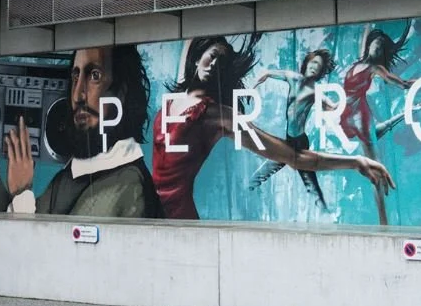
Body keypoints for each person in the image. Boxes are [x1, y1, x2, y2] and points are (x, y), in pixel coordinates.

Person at [151, 35, 395, 220]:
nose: (215, 64)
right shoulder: (173, 98)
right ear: (197, 57)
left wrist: (355, 162)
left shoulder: (219, 115)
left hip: (177, 215)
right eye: (212, 55)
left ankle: (325, 211)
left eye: (222, 62)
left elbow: (294, 157)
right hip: (149, 209)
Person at [0, 45, 163, 218]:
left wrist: (22, 193)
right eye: (75, 76)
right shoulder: (79, 173)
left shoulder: (126, 187)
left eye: (94, 75)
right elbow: (0, 231)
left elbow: (37, 254)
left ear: (121, 93)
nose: (77, 95)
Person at [336, 23, 421, 225]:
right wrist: (367, 22)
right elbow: (365, 34)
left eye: (380, 47)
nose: (375, 48)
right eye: (374, 44)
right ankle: (401, 117)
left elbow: (403, 84)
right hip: (346, 116)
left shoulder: (376, 69)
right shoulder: (360, 60)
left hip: (360, 117)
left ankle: (383, 220)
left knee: (373, 169)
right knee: (372, 151)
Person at [248, 48, 336, 209]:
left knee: (310, 183)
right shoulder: (293, 78)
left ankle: (323, 210)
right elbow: (267, 73)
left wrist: (337, 105)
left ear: (320, 72)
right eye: (314, 62)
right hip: (289, 140)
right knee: (265, 171)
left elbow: (332, 106)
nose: (315, 67)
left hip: (300, 143)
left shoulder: (316, 91)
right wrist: (253, 87)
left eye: (319, 66)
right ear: (307, 63)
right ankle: (249, 190)